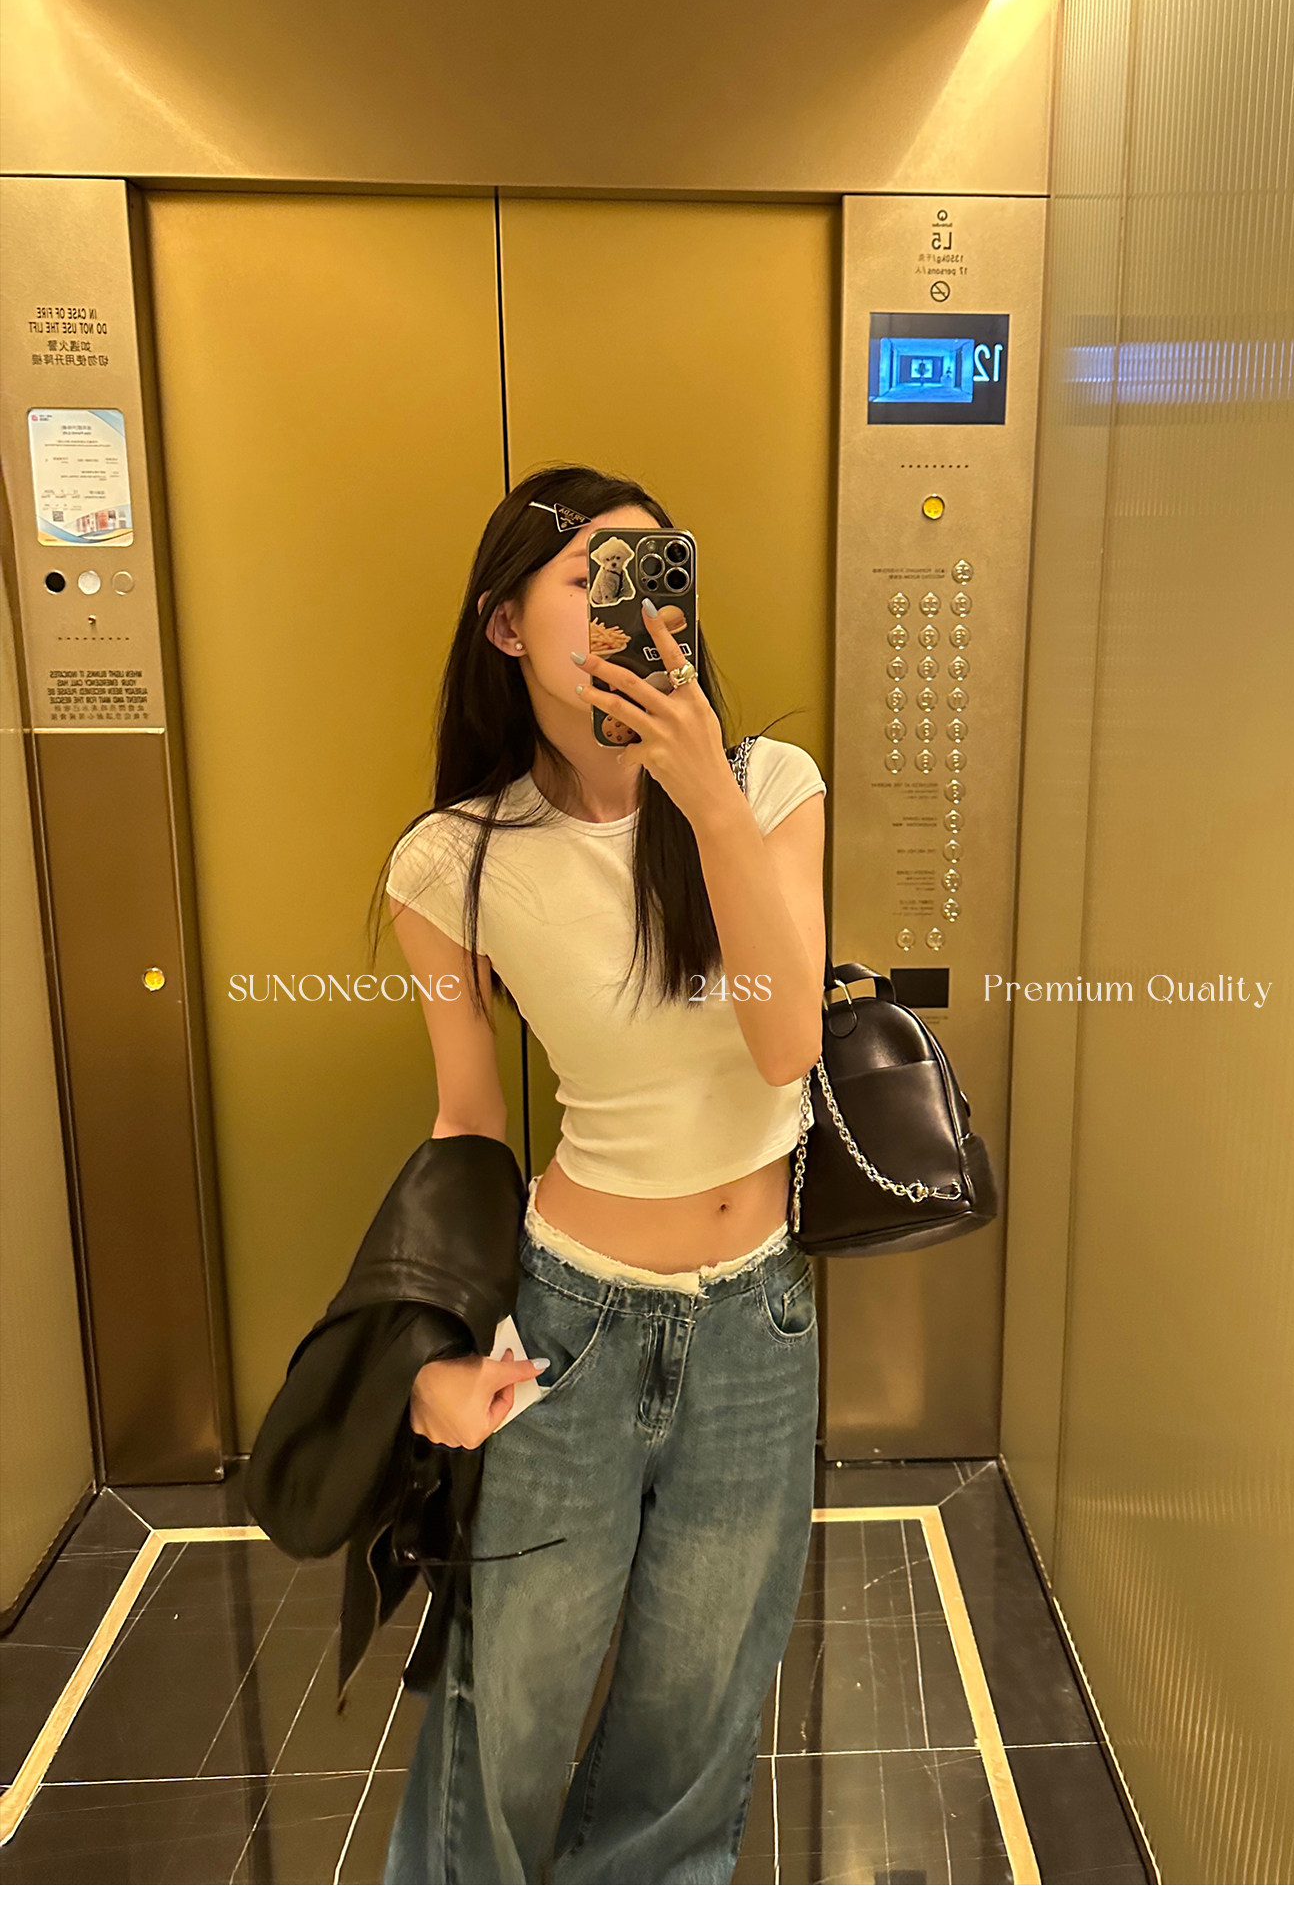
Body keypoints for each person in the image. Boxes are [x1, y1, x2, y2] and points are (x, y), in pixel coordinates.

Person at [375, 464, 828, 1884]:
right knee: (504, 1709)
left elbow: (786, 1043)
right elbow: (467, 1124)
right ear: (506, 626)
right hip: (566, 1327)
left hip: (759, 1327)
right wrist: (433, 1347)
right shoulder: (453, 860)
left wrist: (706, 795)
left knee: (696, 1719)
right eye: (594, 579)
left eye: (659, 576)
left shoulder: (769, 788)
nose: (642, 611)